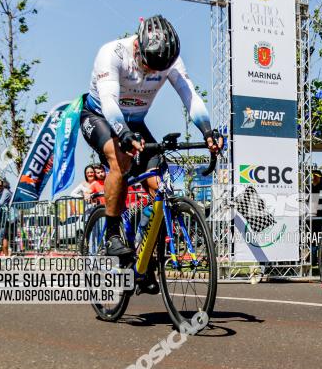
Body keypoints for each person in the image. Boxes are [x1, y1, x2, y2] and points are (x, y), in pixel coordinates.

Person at [80, 15, 222, 263]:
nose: (152, 72)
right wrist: (123, 135)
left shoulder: (170, 61)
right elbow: (110, 102)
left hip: (135, 123)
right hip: (99, 117)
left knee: (160, 188)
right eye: (149, 65)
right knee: (120, 159)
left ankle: (145, 259)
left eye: (159, 69)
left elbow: (189, 96)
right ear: (138, 46)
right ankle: (112, 235)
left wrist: (208, 132)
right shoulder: (112, 54)